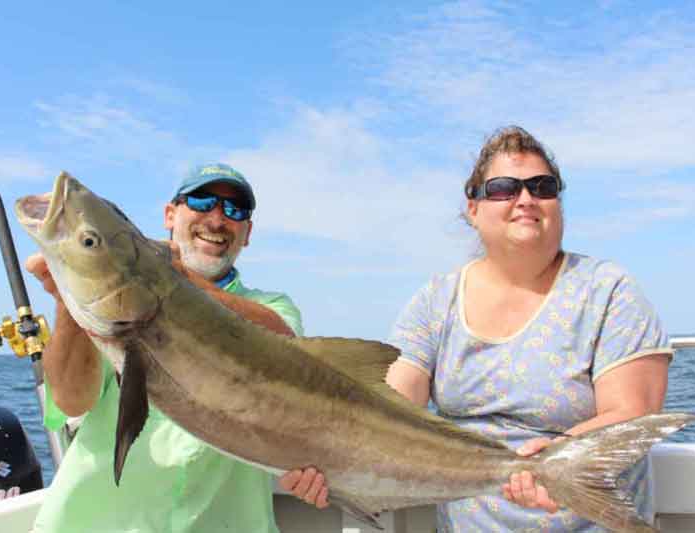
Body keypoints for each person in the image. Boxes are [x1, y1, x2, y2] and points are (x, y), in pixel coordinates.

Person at [284, 126, 672, 531]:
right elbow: (392, 403)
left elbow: (632, 411)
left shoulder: (609, 289)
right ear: (473, 208)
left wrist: (557, 461)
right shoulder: (437, 300)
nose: (525, 199)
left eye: (542, 186)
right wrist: (328, 459)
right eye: (504, 188)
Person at [28, 163, 303, 533]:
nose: (218, 219)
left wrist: (163, 274)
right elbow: (71, 401)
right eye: (203, 201)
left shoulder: (273, 307)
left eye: (235, 211)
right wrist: (68, 295)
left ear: (247, 233)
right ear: (170, 214)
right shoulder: (112, 302)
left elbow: (287, 350)